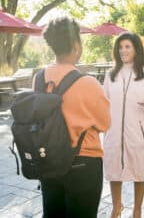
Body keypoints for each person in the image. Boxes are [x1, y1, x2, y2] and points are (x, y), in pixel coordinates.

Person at [39, 17, 111, 218]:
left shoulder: (39, 78)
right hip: (83, 163)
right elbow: (105, 124)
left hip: (49, 160)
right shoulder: (88, 83)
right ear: (76, 46)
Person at [103, 32, 144, 218]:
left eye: (127, 47)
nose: (123, 51)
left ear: (136, 49)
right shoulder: (110, 74)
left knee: (139, 170)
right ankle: (117, 206)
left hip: (138, 132)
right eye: (120, 47)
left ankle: (137, 209)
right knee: (113, 170)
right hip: (114, 131)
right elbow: (104, 102)